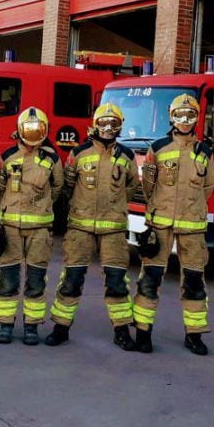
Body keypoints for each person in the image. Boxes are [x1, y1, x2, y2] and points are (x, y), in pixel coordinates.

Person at [45, 103, 139, 350]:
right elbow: (67, 186)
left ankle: (121, 332)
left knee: (117, 281)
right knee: (72, 279)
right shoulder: (79, 153)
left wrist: (115, 208)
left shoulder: (127, 156)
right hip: (80, 228)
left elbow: (131, 187)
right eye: (104, 123)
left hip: (114, 229)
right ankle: (60, 328)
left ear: (120, 126)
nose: (108, 128)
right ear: (95, 125)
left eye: (113, 123)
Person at [133, 94, 214, 355]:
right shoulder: (157, 148)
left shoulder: (204, 152)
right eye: (179, 115)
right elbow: (148, 185)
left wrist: (191, 208)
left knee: (194, 281)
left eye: (190, 116)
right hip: (160, 225)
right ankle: (143, 333)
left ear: (196, 118)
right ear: (172, 117)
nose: (184, 120)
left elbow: (208, 187)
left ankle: (194, 335)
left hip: (192, 226)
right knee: (151, 278)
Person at [0, 107, 64, 345]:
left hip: (40, 229)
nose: (33, 133)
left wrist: (41, 209)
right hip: (11, 226)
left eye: (38, 129)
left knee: (36, 279)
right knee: (8, 278)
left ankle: (32, 326)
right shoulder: (7, 156)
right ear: (19, 130)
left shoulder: (52, 159)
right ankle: (5, 324)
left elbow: (56, 189)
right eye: (29, 129)